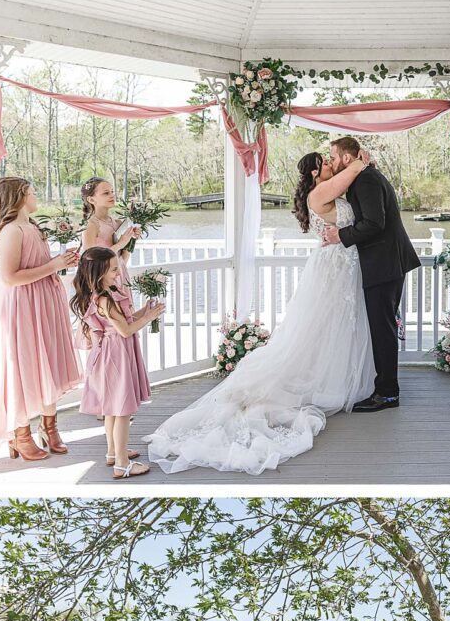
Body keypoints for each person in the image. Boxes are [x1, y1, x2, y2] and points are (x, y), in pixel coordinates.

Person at [145, 151, 375, 475]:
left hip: (343, 265)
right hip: (333, 268)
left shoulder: (331, 189)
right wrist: (360, 160)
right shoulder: (321, 191)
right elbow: (351, 173)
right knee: (320, 327)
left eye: (330, 160)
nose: (329, 164)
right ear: (312, 173)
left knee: (334, 329)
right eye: (324, 162)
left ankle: (334, 377)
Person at [0, 177, 82, 462]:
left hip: (44, 300)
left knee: (48, 361)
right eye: (32, 192)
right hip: (24, 305)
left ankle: (49, 427)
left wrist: (61, 261)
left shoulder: (31, 227)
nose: (36, 197)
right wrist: (54, 265)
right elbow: (10, 277)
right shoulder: (11, 231)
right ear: (19, 197)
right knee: (24, 365)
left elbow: (37, 264)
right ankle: (20, 434)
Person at [322, 136, 420, 412]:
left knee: (383, 329)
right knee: (383, 327)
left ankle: (388, 393)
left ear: (347, 158)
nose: (330, 161)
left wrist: (340, 235)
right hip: (386, 261)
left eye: (333, 156)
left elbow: (374, 224)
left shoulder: (366, 180)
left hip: (384, 262)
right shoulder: (364, 177)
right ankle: (385, 386)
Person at [71, 247, 162, 479]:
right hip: (116, 355)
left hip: (111, 353)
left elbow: (125, 320)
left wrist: (145, 311)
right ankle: (122, 464)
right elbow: (125, 330)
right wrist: (149, 318)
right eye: (113, 270)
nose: (117, 273)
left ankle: (113, 452)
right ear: (99, 272)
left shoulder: (104, 293)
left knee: (112, 408)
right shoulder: (105, 299)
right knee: (122, 410)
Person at [80, 177, 141, 295]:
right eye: (106, 193)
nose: (112, 195)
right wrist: (120, 243)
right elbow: (90, 260)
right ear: (91, 199)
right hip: (101, 281)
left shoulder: (118, 223)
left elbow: (122, 260)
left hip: (120, 276)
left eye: (112, 192)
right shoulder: (91, 224)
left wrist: (131, 240)